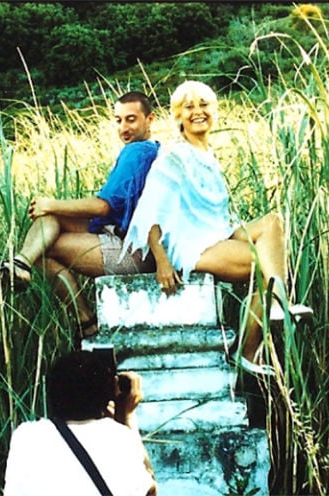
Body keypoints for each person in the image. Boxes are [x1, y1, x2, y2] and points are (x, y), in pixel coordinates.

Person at [120, 81, 312, 376]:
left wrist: (248, 233)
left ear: (215, 111)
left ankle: (272, 310)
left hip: (215, 234)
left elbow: (216, 215)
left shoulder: (207, 155)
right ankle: (251, 347)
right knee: (266, 267)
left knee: (273, 224)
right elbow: (149, 213)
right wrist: (161, 261)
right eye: (189, 106)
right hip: (191, 246)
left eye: (204, 104)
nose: (198, 111)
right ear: (178, 116)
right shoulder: (175, 155)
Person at [0, 92, 160, 341]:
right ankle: (19, 264)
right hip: (125, 237)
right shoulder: (150, 150)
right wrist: (52, 209)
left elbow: (103, 207)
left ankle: (87, 321)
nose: (123, 128)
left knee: (42, 249)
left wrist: (51, 203)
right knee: (47, 224)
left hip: (134, 251)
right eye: (118, 120)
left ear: (150, 119)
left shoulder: (137, 152)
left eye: (131, 120)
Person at [3, 351, 157, 495]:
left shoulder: (26, 436)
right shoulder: (120, 436)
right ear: (107, 393)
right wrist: (126, 416)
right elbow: (150, 491)